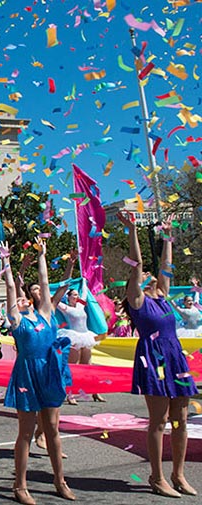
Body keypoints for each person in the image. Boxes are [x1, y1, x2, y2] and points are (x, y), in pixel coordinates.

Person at [118, 211, 197, 497]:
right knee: (160, 421)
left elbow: (167, 264)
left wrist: (167, 235)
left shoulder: (162, 296)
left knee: (181, 419)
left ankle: (178, 474)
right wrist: (132, 231)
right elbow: (137, 265)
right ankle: (157, 476)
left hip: (175, 356)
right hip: (153, 359)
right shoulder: (138, 301)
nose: (151, 277)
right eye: (145, 277)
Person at [0, 237, 75, 505]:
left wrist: (42, 254)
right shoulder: (17, 321)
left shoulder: (46, 313)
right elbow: (10, 287)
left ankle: (60, 481)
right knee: (26, 433)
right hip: (27, 375)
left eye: (23, 296)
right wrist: (6, 263)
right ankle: (19, 486)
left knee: (53, 428)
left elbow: (45, 283)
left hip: (50, 372)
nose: (21, 298)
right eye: (18, 298)